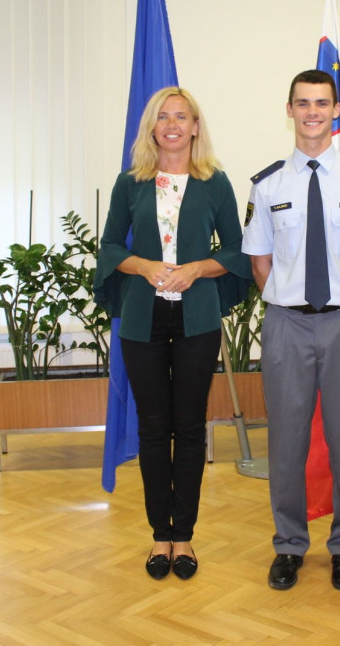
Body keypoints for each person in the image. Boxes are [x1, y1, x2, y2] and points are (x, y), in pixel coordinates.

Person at [241, 69, 340, 592]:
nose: (312, 112)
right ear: (289, 110)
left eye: (322, 103)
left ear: (335, 111)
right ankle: (288, 545)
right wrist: (290, 304)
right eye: (302, 103)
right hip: (285, 324)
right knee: (285, 440)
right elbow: (260, 263)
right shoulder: (267, 185)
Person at [94, 86, 251, 581]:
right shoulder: (130, 183)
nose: (173, 125)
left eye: (182, 116)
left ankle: (184, 536)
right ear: (152, 128)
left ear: (196, 126)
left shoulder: (215, 182)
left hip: (196, 319)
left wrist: (198, 269)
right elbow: (110, 248)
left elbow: (237, 253)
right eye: (163, 117)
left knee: (189, 428)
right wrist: (142, 266)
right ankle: (158, 535)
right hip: (143, 320)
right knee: (152, 428)